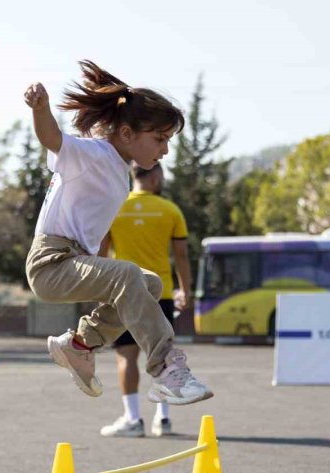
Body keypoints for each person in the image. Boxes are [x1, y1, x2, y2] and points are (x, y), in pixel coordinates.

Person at [22, 60, 212, 406]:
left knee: (149, 283)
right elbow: (52, 139)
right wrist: (41, 108)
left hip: (74, 260)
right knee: (127, 275)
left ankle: (80, 345)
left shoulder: (119, 171)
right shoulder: (94, 154)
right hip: (50, 262)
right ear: (127, 134)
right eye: (159, 139)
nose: (165, 150)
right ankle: (166, 369)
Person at [98, 163, 192, 437]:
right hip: (160, 293)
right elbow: (181, 255)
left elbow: (101, 254)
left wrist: (101, 292)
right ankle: (163, 419)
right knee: (161, 356)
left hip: (124, 293)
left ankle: (133, 419)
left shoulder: (115, 208)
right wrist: (185, 290)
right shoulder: (170, 210)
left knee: (126, 356)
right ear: (155, 176)